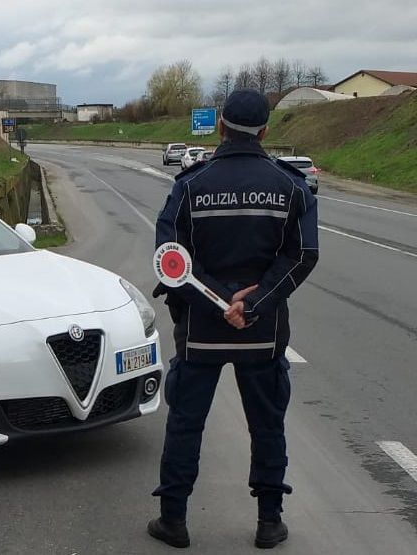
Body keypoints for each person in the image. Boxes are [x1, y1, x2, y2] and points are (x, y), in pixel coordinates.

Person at [147, 89, 319, 549]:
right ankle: (268, 522)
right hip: (262, 334)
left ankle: (174, 520)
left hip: (201, 332)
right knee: (267, 427)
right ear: (265, 131)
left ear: (221, 127)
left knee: (186, 423)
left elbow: (170, 260)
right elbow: (303, 256)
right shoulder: (291, 185)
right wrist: (254, 302)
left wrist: (219, 301)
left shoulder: (190, 184)